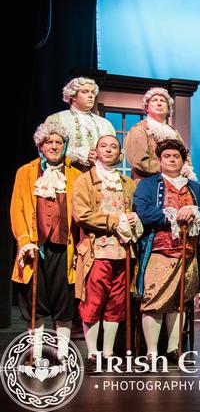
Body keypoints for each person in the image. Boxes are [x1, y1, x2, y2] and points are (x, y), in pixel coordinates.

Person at [133, 139, 200, 363]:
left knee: (179, 302)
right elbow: (143, 211)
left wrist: (194, 210)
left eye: (176, 156)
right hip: (159, 251)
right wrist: (172, 214)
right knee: (154, 299)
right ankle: (152, 352)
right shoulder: (149, 185)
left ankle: (173, 349)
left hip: (187, 253)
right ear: (160, 160)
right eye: (167, 156)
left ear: (183, 160)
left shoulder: (194, 187)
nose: (171, 160)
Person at [11, 121, 82, 362]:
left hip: (65, 249)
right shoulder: (25, 172)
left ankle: (61, 354)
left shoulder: (75, 175)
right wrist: (24, 241)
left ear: (65, 146)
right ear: (40, 146)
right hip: (34, 248)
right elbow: (17, 210)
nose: (53, 146)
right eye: (48, 142)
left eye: (58, 142)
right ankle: (37, 353)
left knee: (64, 305)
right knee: (36, 305)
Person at [73, 135, 141, 363]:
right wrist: (113, 221)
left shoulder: (127, 183)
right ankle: (93, 351)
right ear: (96, 151)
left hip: (123, 251)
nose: (109, 150)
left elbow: (134, 210)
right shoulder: (85, 180)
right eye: (104, 146)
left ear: (120, 155)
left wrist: (133, 219)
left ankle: (109, 351)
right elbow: (81, 214)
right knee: (93, 300)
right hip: (96, 251)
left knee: (117, 302)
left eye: (113, 147)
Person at [124, 87, 195, 181]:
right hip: (149, 183)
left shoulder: (174, 132)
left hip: (175, 182)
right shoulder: (139, 129)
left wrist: (186, 166)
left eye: (162, 101)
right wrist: (171, 167)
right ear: (147, 107)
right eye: (154, 100)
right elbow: (139, 162)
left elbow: (185, 155)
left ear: (168, 108)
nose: (159, 103)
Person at [45, 77, 115, 171]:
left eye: (92, 92)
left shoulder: (105, 124)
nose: (91, 95)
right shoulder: (56, 119)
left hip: (98, 175)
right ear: (73, 95)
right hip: (67, 174)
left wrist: (105, 157)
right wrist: (80, 154)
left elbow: (118, 152)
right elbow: (47, 149)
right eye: (85, 92)